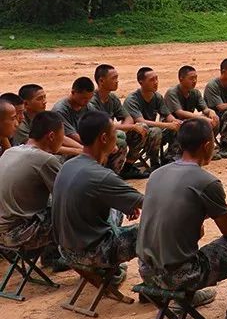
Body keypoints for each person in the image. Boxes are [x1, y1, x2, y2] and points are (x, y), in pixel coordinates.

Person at [137, 118, 227, 319]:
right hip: (181, 275)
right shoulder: (206, 181)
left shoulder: (156, 175)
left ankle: (185, 297)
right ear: (207, 145)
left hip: (147, 272)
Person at [51, 112, 144, 277]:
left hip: (65, 251)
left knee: (116, 209)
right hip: (92, 254)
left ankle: (109, 271)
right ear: (103, 138)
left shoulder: (68, 165)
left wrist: (127, 204)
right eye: (114, 133)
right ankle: (159, 284)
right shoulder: (102, 176)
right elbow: (148, 203)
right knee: (150, 230)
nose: (117, 137)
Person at [0, 111, 65, 253]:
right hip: (18, 234)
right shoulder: (45, 159)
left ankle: (52, 255)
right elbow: (70, 196)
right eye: (62, 135)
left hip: (3, 231)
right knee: (77, 212)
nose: (63, 139)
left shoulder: (9, 152)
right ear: (52, 136)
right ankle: (88, 263)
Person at [89, 65, 148, 179]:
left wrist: (125, 128)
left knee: (141, 128)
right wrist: (125, 129)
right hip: (99, 136)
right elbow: (101, 125)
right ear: (101, 81)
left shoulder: (112, 98)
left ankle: (127, 167)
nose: (117, 81)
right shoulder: (92, 101)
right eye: (114, 78)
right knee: (120, 138)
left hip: (111, 132)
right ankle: (111, 174)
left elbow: (128, 117)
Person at [124, 68, 179, 170]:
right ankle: (154, 164)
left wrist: (176, 122)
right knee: (156, 131)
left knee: (177, 127)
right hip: (136, 134)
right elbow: (141, 121)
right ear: (141, 82)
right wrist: (168, 125)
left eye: (156, 79)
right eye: (152, 80)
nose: (156, 82)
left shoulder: (157, 97)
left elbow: (167, 115)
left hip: (152, 131)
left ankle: (170, 158)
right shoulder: (132, 100)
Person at [164, 66, 221, 160]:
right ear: (181, 79)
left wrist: (212, 112)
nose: (194, 81)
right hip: (172, 125)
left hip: (187, 122)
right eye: (191, 78)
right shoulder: (172, 93)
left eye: (195, 78)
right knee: (186, 123)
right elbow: (179, 113)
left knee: (214, 119)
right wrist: (201, 118)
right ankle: (173, 153)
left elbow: (205, 109)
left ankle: (205, 149)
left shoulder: (195, 93)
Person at [14, 84, 82, 157]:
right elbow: (40, 147)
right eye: (39, 99)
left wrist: (82, 149)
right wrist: (77, 151)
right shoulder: (21, 123)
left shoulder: (43, 116)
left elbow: (60, 137)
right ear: (26, 104)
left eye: (44, 97)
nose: (44, 101)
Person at [51, 77, 95, 146]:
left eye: (90, 98)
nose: (87, 101)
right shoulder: (60, 111)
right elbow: (72, 136)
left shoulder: (88, 106)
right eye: (84, 98)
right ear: (73, 92)